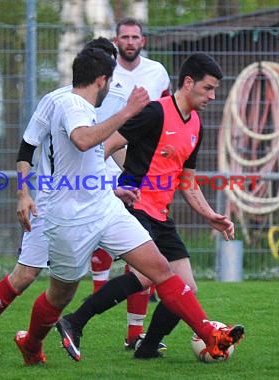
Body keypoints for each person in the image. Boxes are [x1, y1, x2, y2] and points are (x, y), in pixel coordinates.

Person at [14, 48, 243, 366]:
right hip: (112, 210)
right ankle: (50, 334)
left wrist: (208, 215)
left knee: (175, 279)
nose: (213, 95)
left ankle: (172, 342)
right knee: (74, 290)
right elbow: (96, 145)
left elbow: (184, 179)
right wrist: (104, 185)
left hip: (142, 211)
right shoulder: (140, 111)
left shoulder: (194, 126)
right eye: (209, 87)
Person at [0, 37, 138, 352]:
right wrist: (23, 193)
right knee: (24, 276)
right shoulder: (57, 100)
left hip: (102, 203)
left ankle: (140, 336)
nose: (106, 71)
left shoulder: (120, 99)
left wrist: (130, 183)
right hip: (55, 204)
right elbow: (27, 147)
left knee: (149, 264)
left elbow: (118, 150)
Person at [90, 17, 171, 351]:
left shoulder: (157, 73)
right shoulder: (107, 74)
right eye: (124, 36)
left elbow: (167, 111)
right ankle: (95, 290)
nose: (130, 41)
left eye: (135, 36)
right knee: (100, 234)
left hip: (140, 167)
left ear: (144, 40)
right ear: (116, 40)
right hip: (101, 160)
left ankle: (134, 334)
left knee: (142, 244)